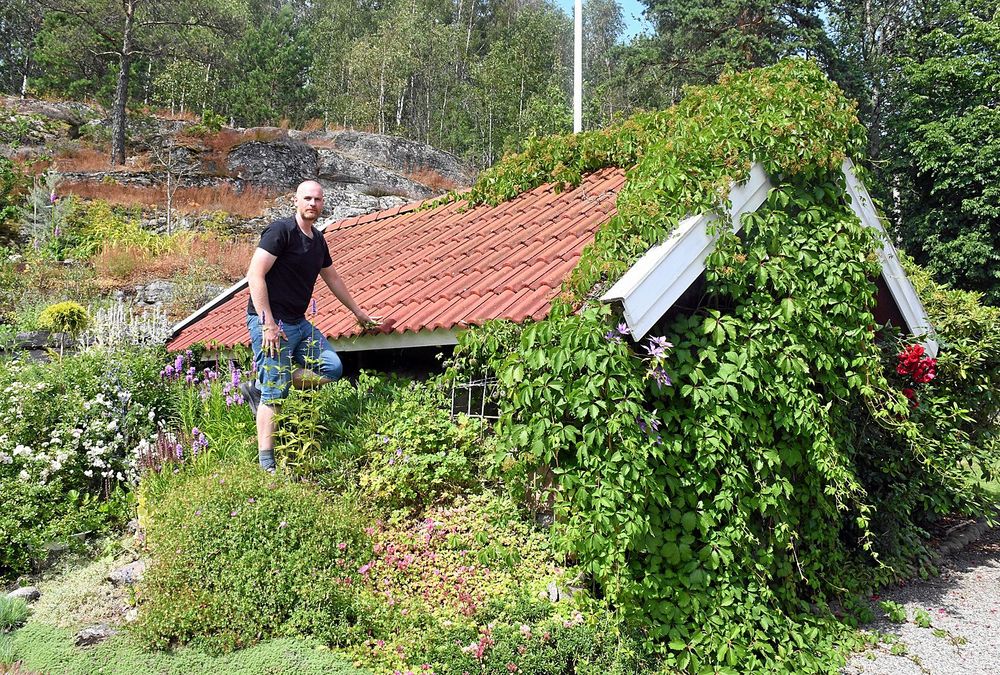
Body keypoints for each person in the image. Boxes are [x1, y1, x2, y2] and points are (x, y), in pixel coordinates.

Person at [241, 180, 377, 471]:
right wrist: (267, 324)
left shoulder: (318, 241)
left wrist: (358, 312)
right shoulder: (280, 231)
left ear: (322, 203)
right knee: (274, 394)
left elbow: (333, 278)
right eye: (307, 198)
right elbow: (255, 274)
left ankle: (260, 385)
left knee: (332, 368)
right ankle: (267, 463)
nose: (312, 203)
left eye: (317, 199)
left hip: (299, 323)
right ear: (296, 201)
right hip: (272, 323)